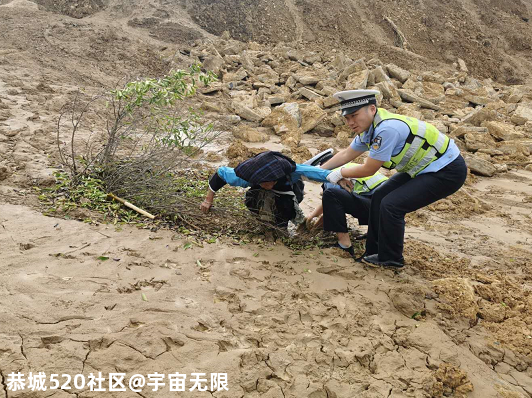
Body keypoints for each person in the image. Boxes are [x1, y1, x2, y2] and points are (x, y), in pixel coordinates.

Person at [322, 89, 467, 268]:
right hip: (423, 168)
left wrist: (339, 173)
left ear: (372, 109)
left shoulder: (386, 130)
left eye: (354, 115)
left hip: (448, 170)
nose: (350, 122)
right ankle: (374, 250)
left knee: (392, 205)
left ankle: (391, 258)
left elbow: (369, 168)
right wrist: (316, 171)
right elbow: (345, 154)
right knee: (379, 197)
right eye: (347, 118)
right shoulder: (369, 129)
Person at [200, 151, 333, 229]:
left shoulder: (291, 171)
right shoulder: (246, 177)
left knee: (285, 207)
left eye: (268, 182)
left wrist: (339, 178)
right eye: (262, 182)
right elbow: (220, 174)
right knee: (255, 197)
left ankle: (281, 227)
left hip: (289, 191)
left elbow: (319, 173)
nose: (265, 184)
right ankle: (262, 221)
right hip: (257, 195)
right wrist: (208, 200)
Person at [304, 163, 388, 257]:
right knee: (364, 196)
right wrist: (312, 215)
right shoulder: (350, 166)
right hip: (390, 212)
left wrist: (313, 230)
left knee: (330, 194)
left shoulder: (333, 177)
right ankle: (372, 233)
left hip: (376, 210)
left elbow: (332, 202)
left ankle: (344, 245)